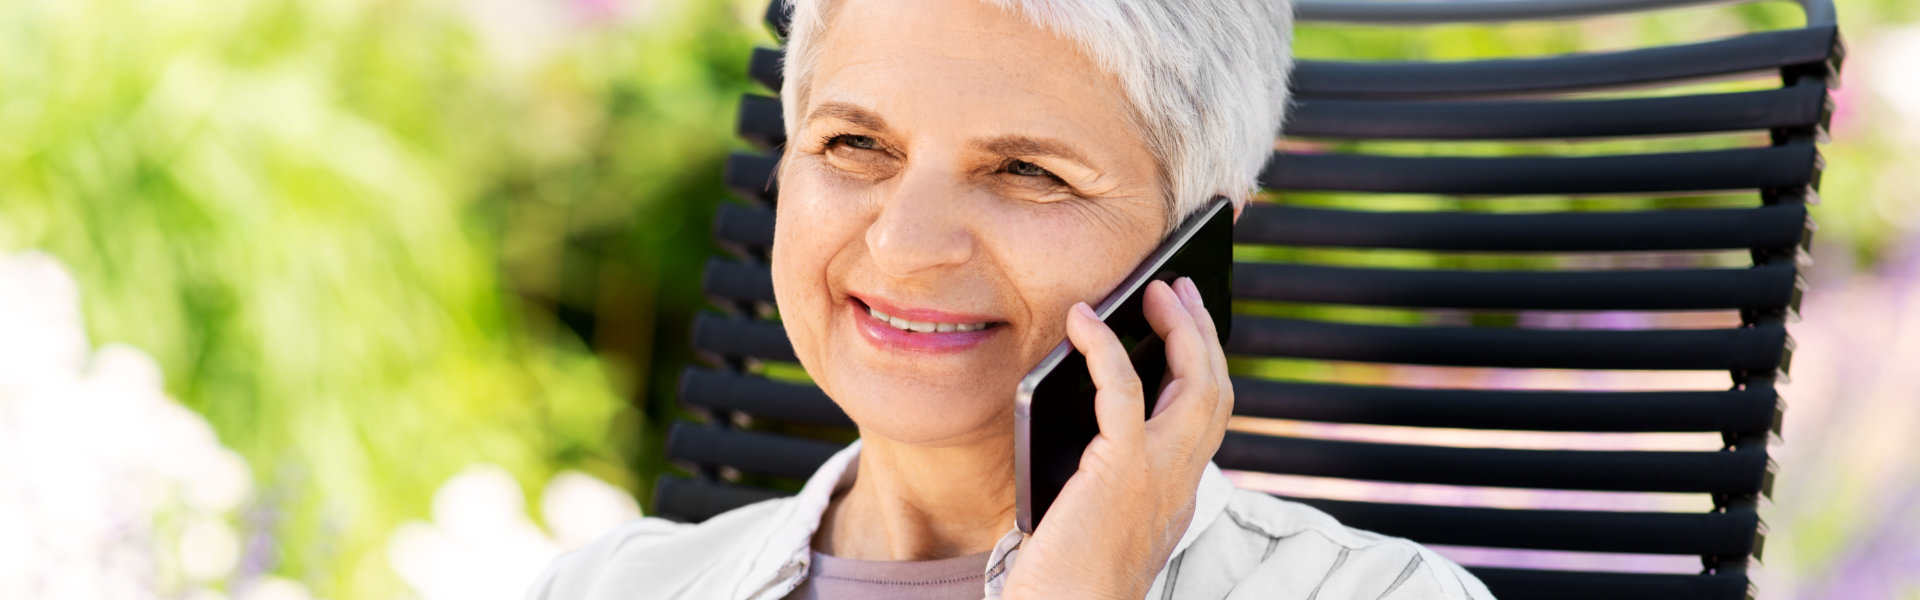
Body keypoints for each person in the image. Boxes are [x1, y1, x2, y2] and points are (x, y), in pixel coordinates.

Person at [529, 0, 1494, 598]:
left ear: (1196, 249)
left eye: (1028, 170)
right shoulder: (607, 584)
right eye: (856, 145)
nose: (905, 247)